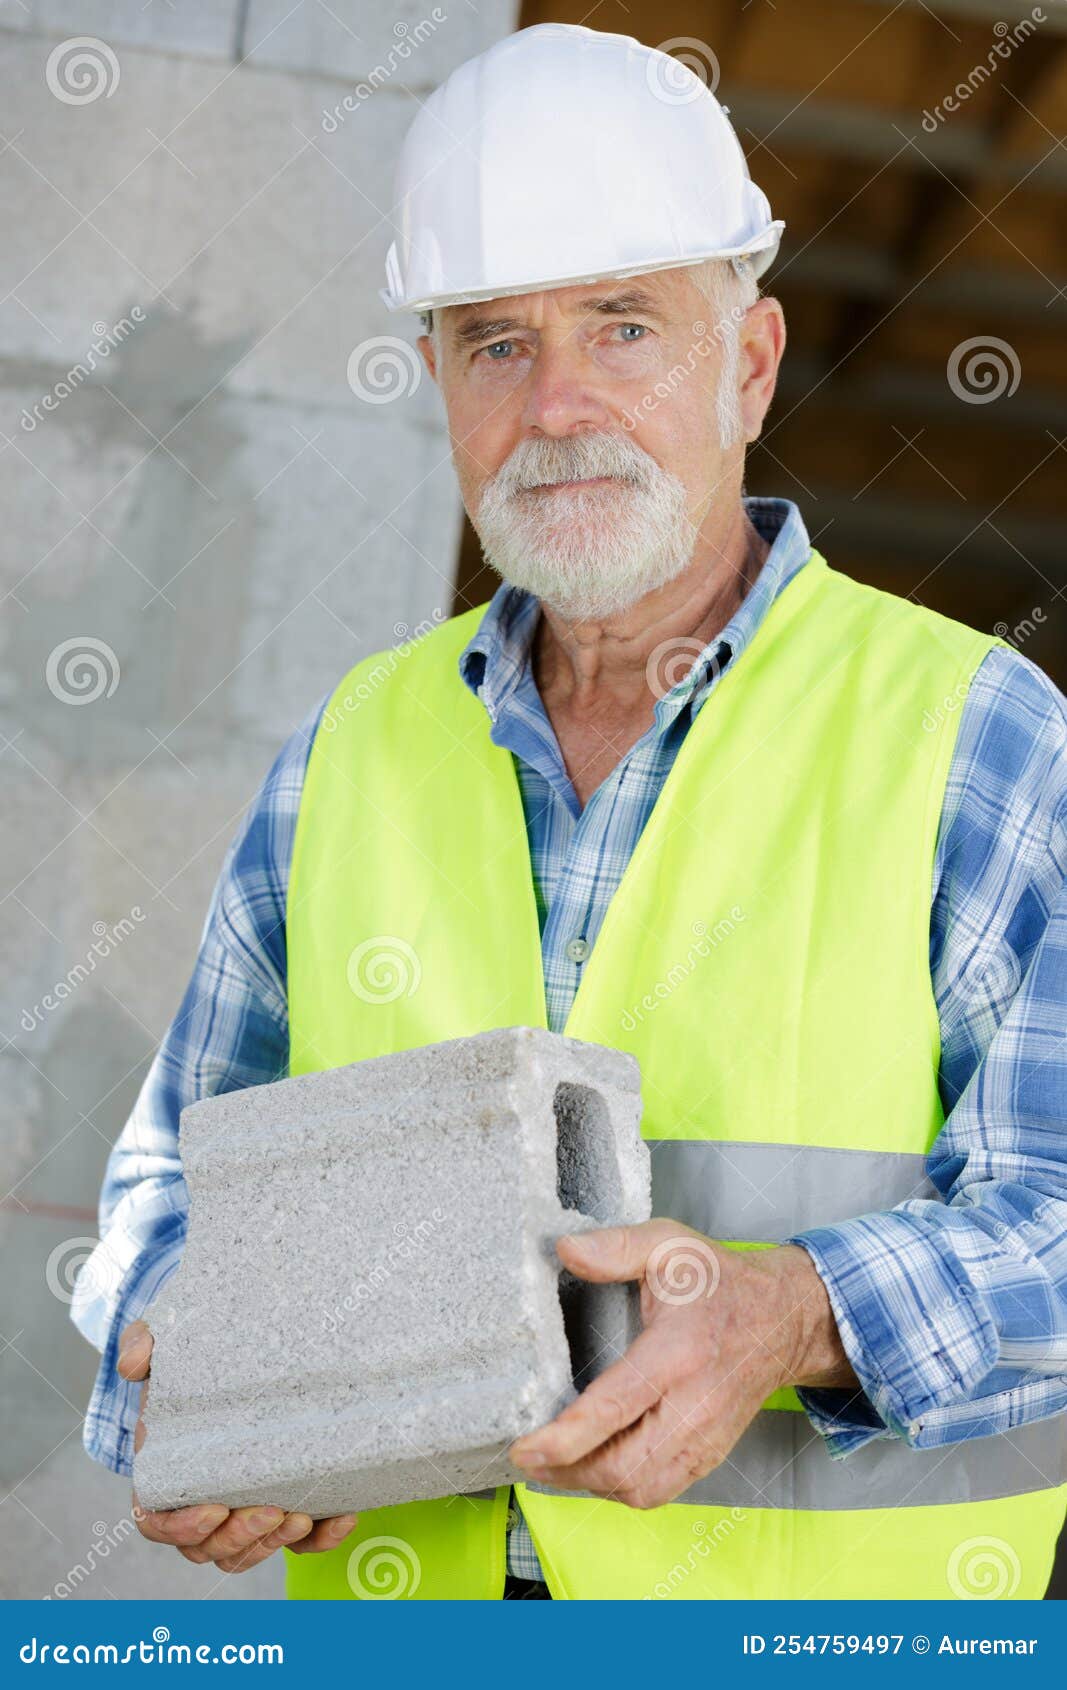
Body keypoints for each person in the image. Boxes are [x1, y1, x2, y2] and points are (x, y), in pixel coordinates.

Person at [74, 23, 1067, 1600]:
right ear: (439, 388)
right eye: (495, 343)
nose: (555, 407)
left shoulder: (975, 736)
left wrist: (797, 1310)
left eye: (623, 328)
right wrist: (192, 1378)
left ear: (746, 363)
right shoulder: (353, 748)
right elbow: (169, 1184)